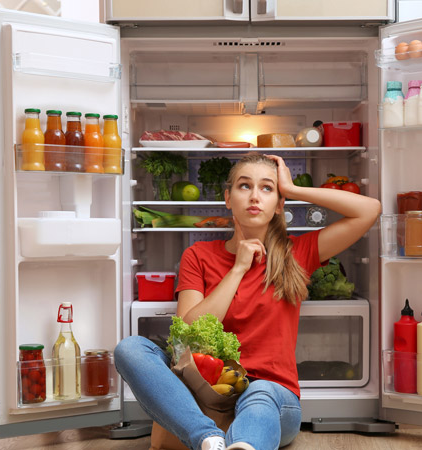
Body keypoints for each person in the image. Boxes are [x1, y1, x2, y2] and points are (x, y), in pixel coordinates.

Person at [114, 154, 381, 450]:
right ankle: (208, 438)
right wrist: (238, 268)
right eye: (244, 186)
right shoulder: (198, 255)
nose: (255, 196)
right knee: (131, 349)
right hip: (207, 392)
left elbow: (369, 210)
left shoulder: (297, 253)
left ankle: (239, 442)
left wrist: (292, 191)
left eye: (267, 188)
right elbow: (188, 330)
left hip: (272, 399)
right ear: (228, 198)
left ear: (279, 205)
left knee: (261, 390)